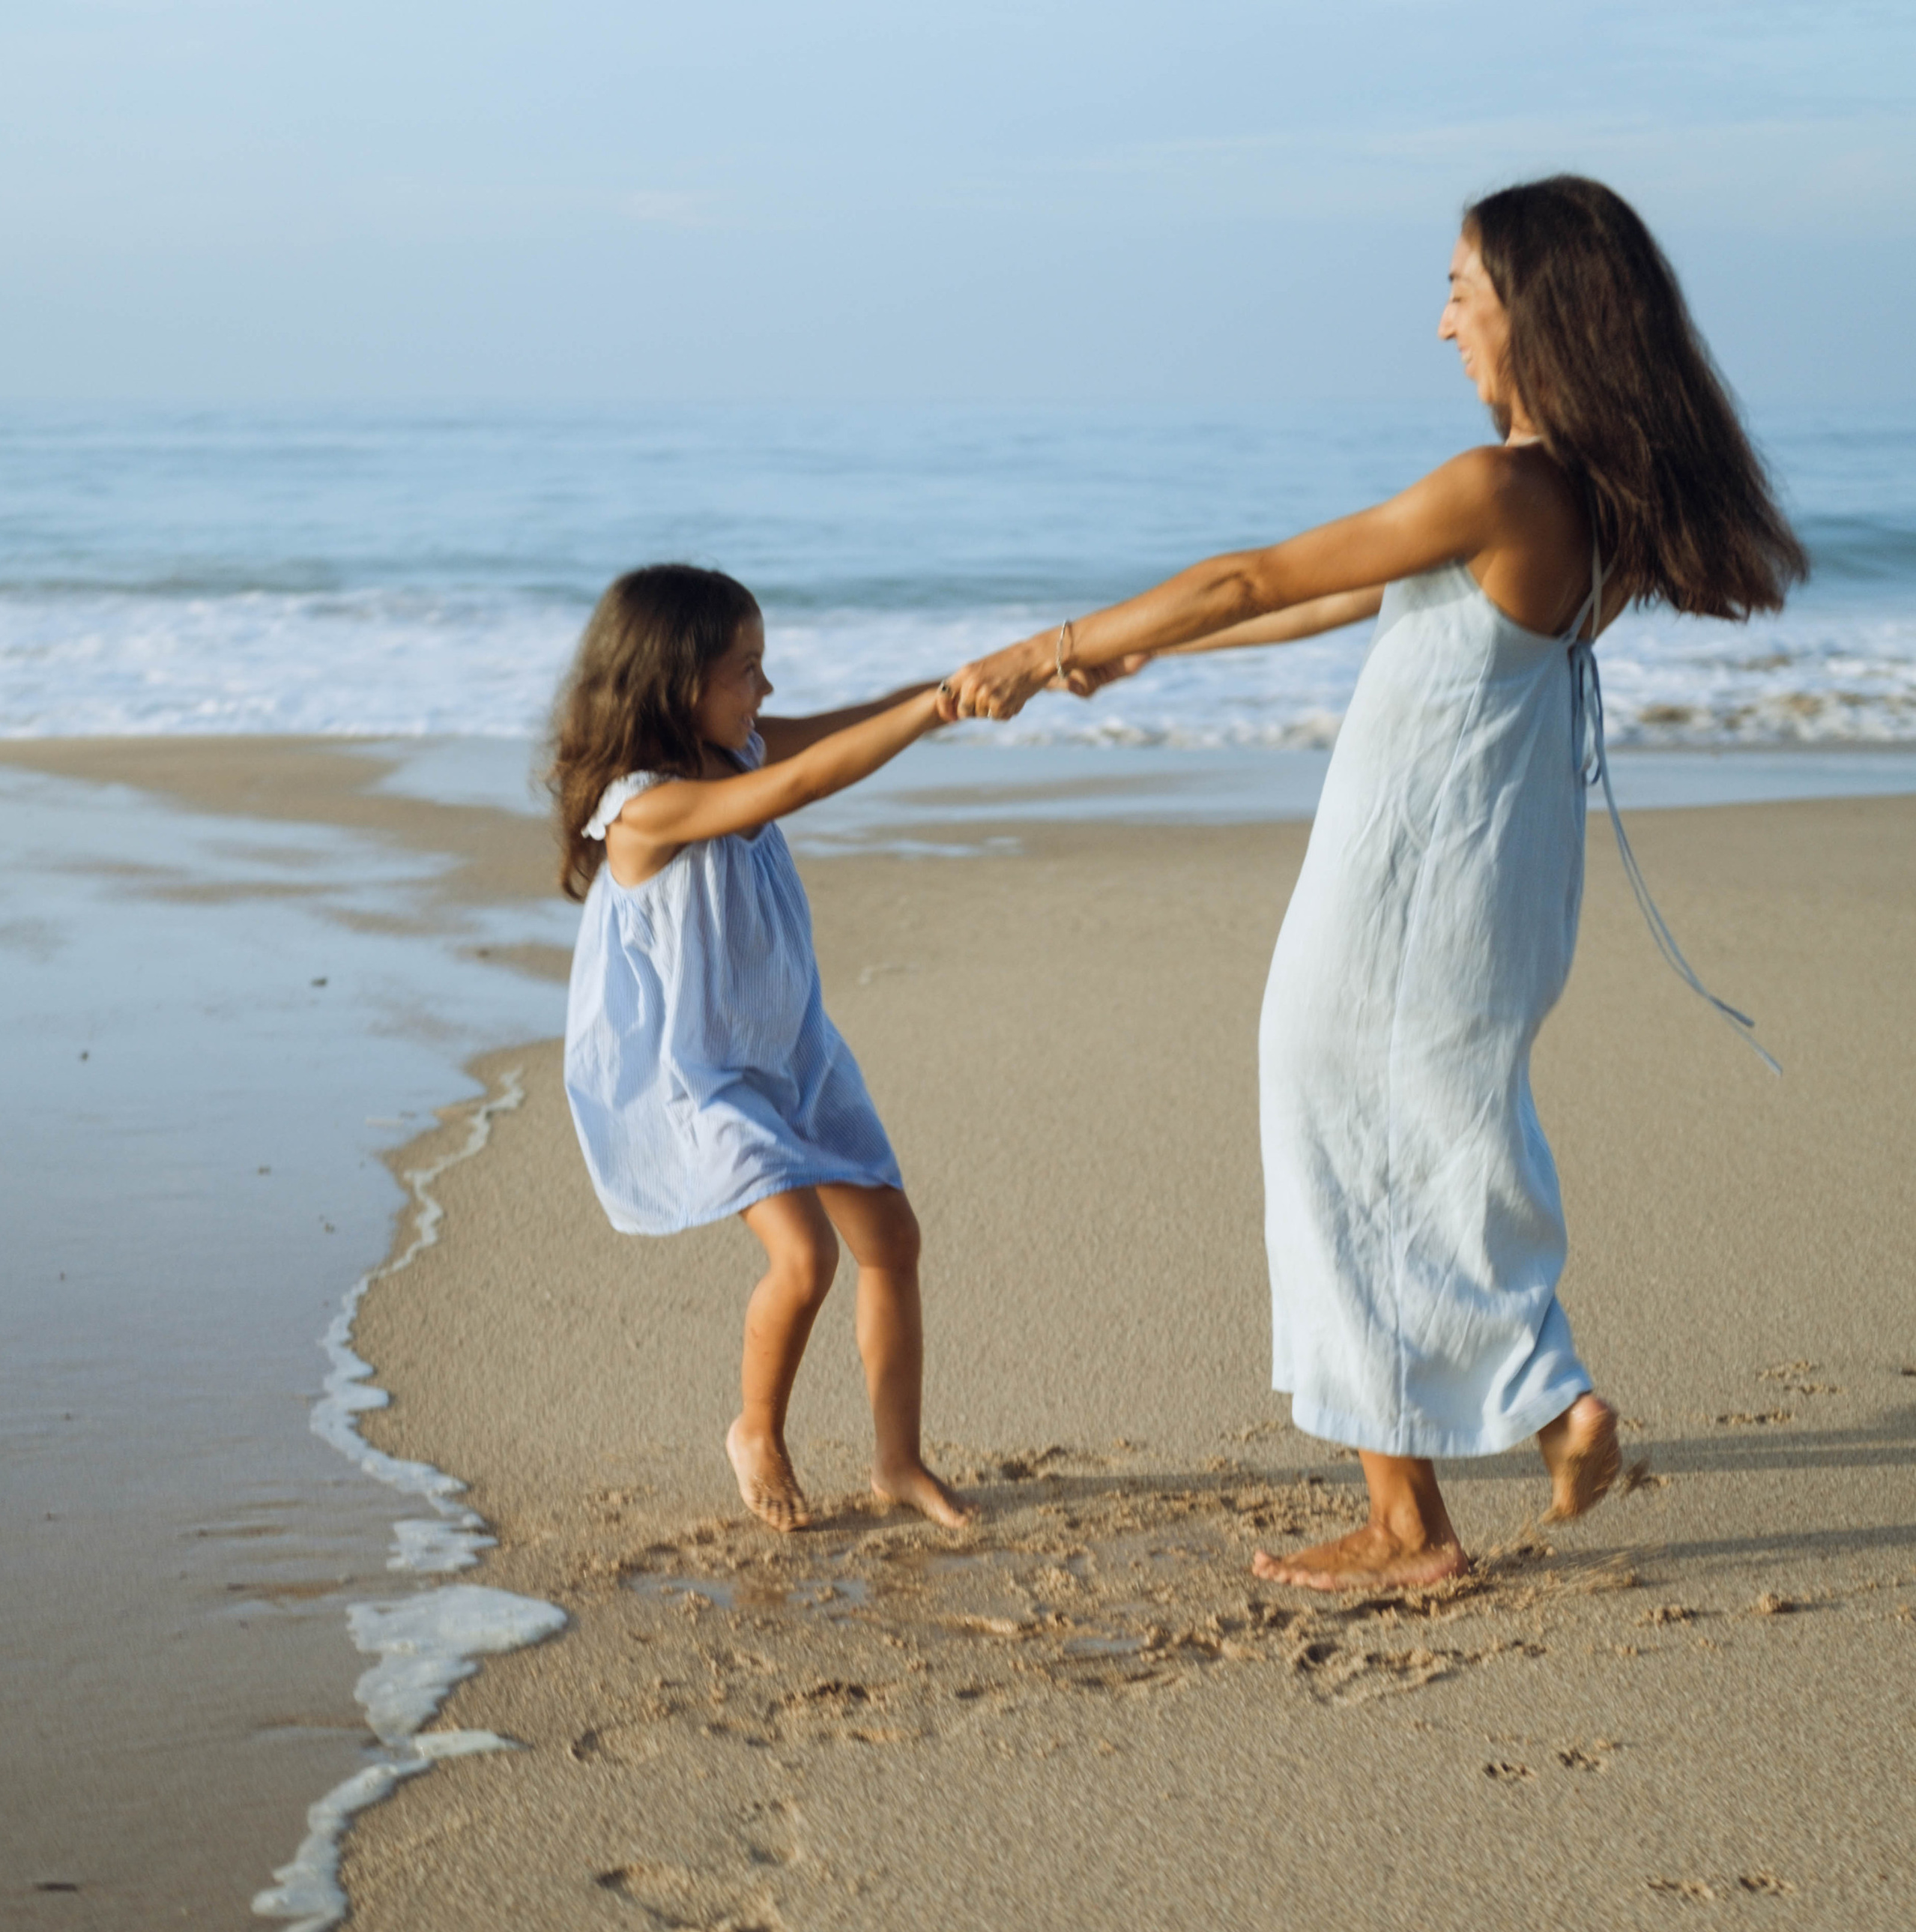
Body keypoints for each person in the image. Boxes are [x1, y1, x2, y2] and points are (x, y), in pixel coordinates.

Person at [947, 175, 1806, 1591]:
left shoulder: (1499, 486)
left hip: (1408, 880)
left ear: (1538, 312)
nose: (1444, 324)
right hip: (1499, 881)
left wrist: (1048, 650)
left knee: (1337, 1130)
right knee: (1442, 1133)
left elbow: (1252, 573)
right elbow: (1329, 596)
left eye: (1462, 293)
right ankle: (1542, 1403)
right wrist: (1137, 652)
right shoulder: (1594, 508)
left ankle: (1428, 1509)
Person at [550, 564, 970, 1535]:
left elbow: (848, 724)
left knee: (892, 1240)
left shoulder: (734, 746)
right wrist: (927, 713)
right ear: (674, 682)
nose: (766, 689)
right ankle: (756, 1430)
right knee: (804, 1256)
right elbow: (806, 779)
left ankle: (898, 1461)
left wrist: (961, 689)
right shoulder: (643, 810)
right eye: (748, 669)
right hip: (706, 1075)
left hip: (796, 1050)